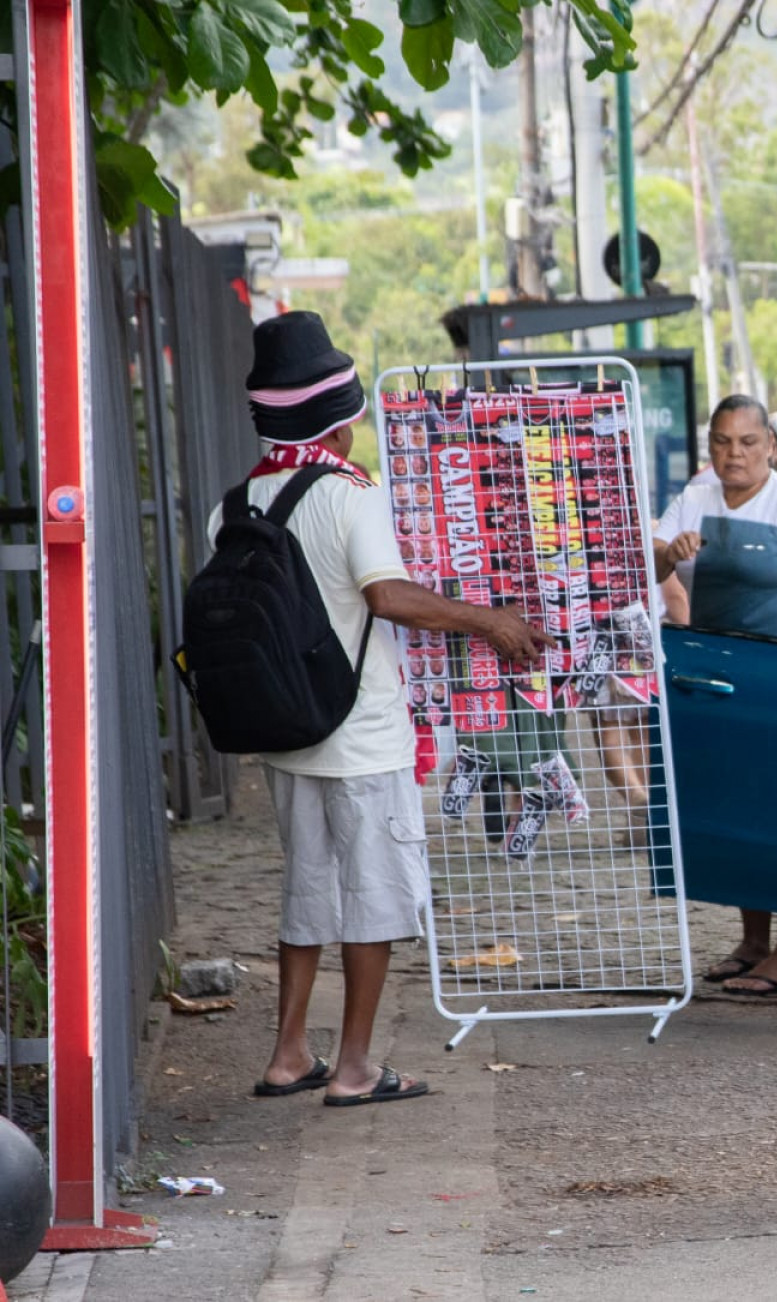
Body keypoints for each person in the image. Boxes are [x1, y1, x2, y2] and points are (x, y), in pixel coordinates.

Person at [227, 312, 553, 1106]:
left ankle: (288, 1054)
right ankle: (356, 1068)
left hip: (287, 733)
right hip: (362, 732)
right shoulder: (350, 495)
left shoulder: (238, 501)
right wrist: (492, 620)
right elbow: (388, 595)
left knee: (306, 894)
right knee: (371, 898)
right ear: (343, 413)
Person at [654, 394, 777, 995]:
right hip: (718, 676)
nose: (734, 455)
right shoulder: (696, 498)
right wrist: (669, 553)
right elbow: (649, 565)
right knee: (735, 801)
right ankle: (752, 940)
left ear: (772, 447)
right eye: (722, 442)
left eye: (747, 443)